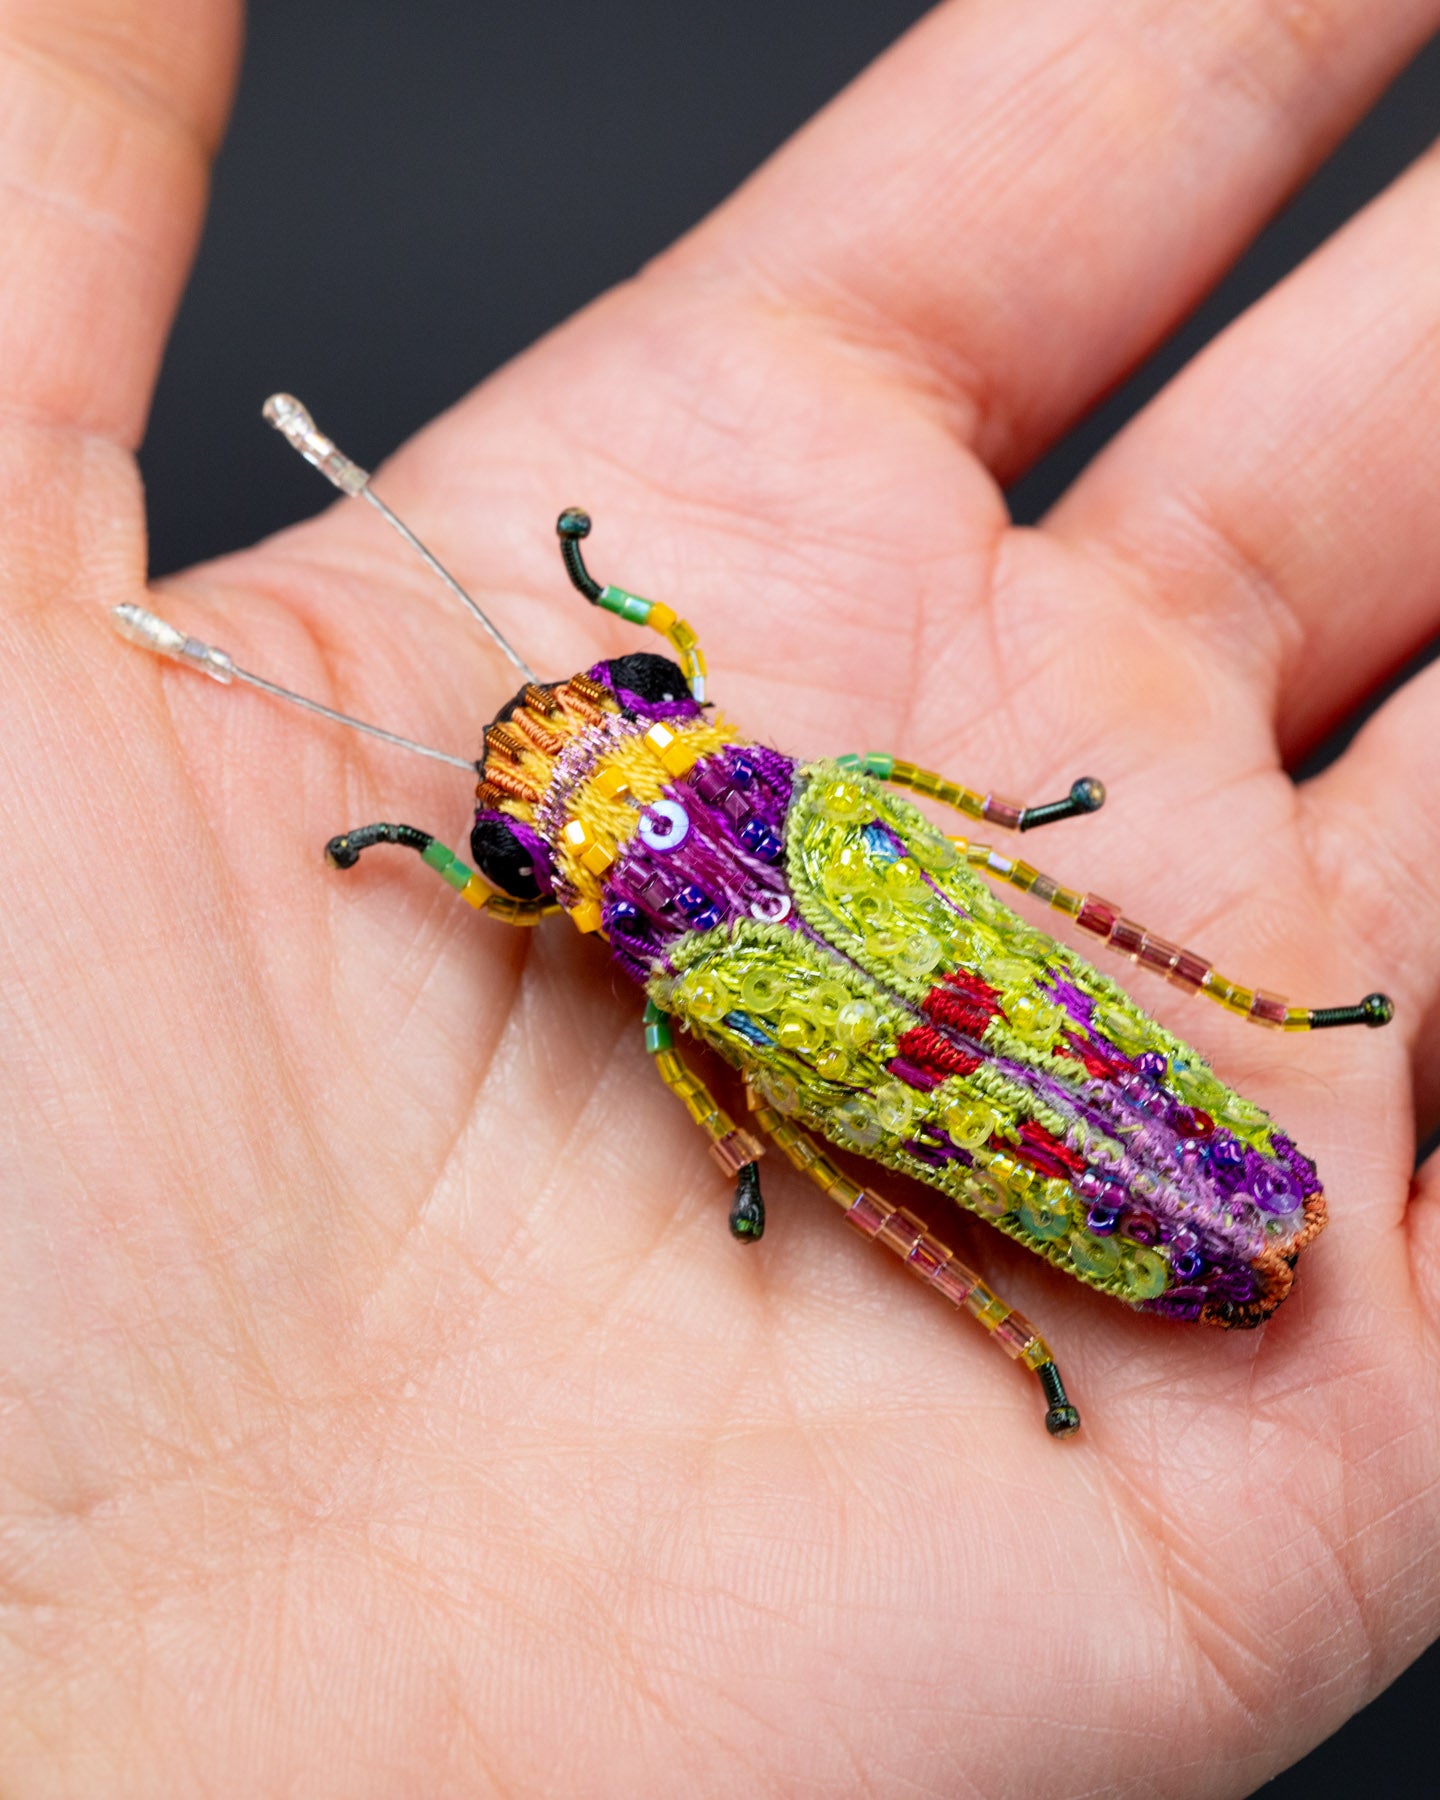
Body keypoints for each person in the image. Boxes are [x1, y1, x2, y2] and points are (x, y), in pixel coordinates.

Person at [2, 0, 1437, 1791]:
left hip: (924, 987)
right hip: (927, 1034)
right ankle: (1160, 1174)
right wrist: (745, 1132)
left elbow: (848, 897)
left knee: (945, 986)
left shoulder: (741, 905)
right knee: (942, 987)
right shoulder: (746, 924)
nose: (610, 733)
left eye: (640, 712)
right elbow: (823, 857)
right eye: (520, 854)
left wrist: (753, 1149)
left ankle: (1246, 1062)